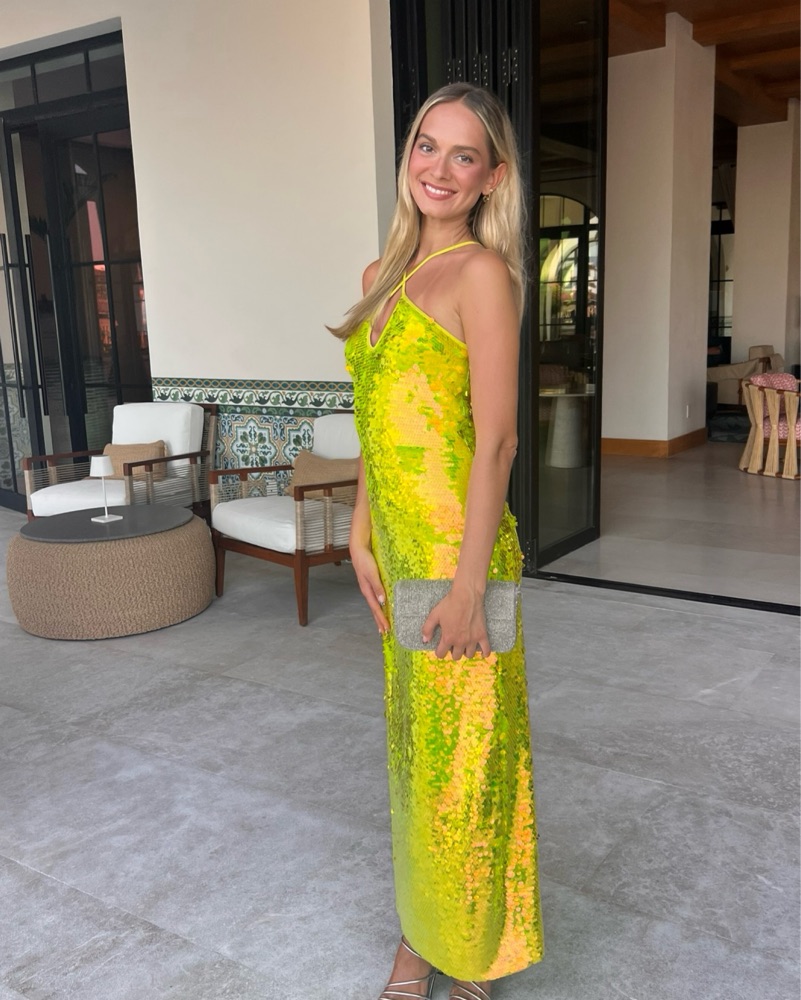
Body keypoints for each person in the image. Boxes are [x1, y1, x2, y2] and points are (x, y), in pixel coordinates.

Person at [329, 82, 543, 1000]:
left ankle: (472, 953)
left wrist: (466, 588)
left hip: (462, 555)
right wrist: (358, 532)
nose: (440, 169)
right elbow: (376, 423)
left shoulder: (480, 275)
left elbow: (496, 442)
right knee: (419, 759)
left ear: (492, 177)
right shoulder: (377, 277)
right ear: (407, 154)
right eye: (427, 144)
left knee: (470, 761)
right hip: (399, 550)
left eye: (465, 155)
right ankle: (422, 933)